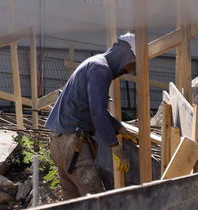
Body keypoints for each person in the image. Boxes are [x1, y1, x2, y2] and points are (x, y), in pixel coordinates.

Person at [45, 35, 137, 199]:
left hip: (58, 140)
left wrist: (119, 128)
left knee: (72, 202)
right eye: (132, 64)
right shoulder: (100, 69)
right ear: (125, 54)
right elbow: (98, 113)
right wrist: (116, 148)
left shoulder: (94, 64)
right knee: (95, 200)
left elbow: (94, 109)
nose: (130, 70)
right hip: (72, 141)